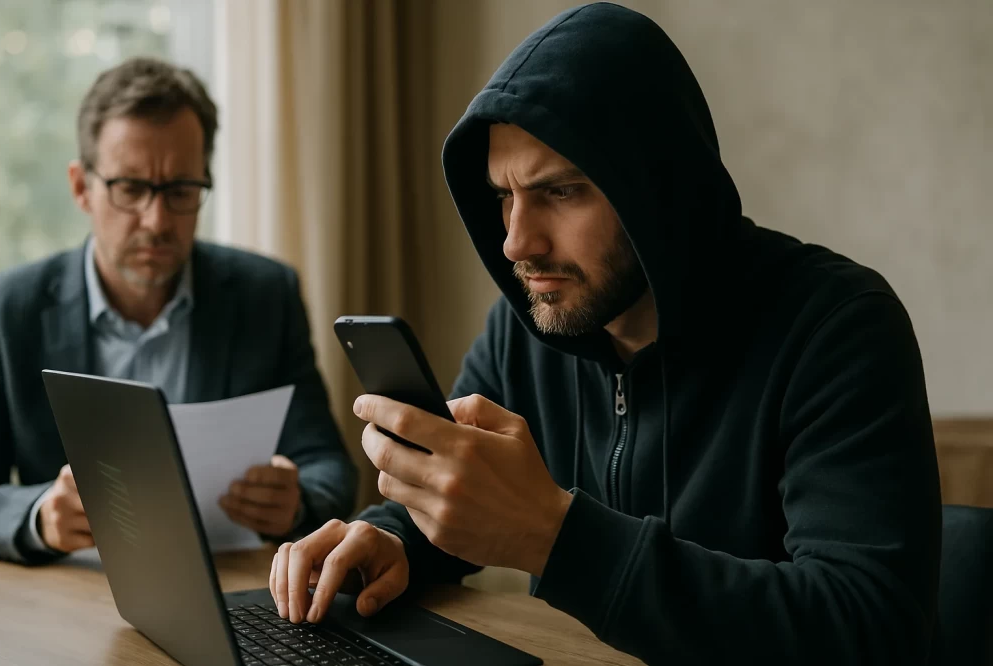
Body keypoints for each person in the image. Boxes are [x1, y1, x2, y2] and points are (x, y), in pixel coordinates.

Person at [268, 4, 942, 664]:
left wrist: (556, 538)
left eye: (559, 192)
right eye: (504, 195)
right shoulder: (525, 328)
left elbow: (864, 626)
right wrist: (389, 540)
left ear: (659, 188)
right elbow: (465, 505)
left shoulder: (837, 327)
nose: (515, 242)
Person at [0, 57, 358, 564]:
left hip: (225, 588)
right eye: (131, 189)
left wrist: (296, 504)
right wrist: (38, 515)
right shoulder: (10, 307)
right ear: (81, 187)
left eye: (180, 191)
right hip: (69, 597)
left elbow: (329, 466)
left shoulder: (263, 295)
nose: (157, 220)